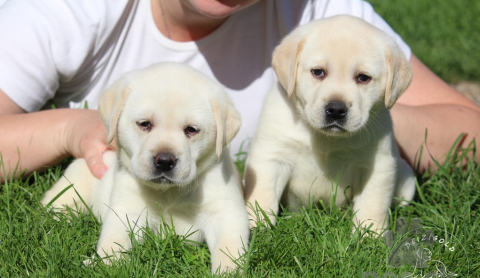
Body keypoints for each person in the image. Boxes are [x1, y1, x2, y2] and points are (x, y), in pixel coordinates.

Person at [0, 0, 479, 183]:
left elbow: (469, 131)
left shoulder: (320, 12)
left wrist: (366, 118)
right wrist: (69, 128)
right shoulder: (70, 9)